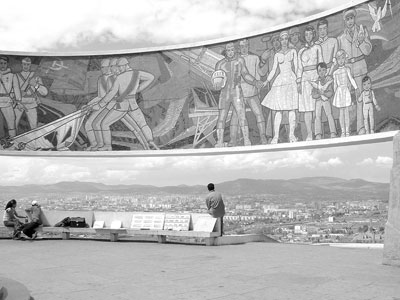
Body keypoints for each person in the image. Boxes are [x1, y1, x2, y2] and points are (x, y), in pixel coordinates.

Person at [212, 42, 263, 147]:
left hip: (237, 92)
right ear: (225, 51)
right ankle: (220, 142)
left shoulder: (240, 61)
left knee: (242, 116)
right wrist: (216, 85)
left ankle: (246, 140)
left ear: (235, 50)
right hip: (224, 94)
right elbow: (216, 80)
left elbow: (245, 74)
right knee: (221, 117)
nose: (230, 52)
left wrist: (255, 82)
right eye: (228, 50)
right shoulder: (220, 64)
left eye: (232, 50)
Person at [337, 8, 372, 135]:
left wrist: (361, 42)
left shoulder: (362, 31)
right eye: (347, 19)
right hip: (347, 71)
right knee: (345, 100)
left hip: (360, 68)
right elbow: (339, 57)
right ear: (344, 21)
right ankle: (345, 130)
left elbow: (368, 51)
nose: (350, 21)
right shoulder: (340, 38)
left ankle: (361, 128)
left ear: (354, 18)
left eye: (351, 18)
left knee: (360, 98)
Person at [261, 31, 299, 144]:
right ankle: (276, 136)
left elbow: (296, 67)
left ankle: (291, 135)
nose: (284, 41)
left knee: (292, 109)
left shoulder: (293, 51)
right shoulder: (277, 55)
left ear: (288, 40)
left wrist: (298, 80)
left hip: (291, 80)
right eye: (282, 39)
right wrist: (267, 80)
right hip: (281, 81)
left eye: (286, 39)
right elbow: (273, 69)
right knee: (278, 110)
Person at [228, 39, 268, 146]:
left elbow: (260, 73)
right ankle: (232, 140)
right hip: (239, 94)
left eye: (245, 46)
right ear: (238, 48)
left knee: (259, 114)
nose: (244, 48)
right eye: (241, 46)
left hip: (252, 92)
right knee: (235, 117)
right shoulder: (235, 60)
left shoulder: (254, 58)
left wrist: (264, 61)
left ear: (248, 46)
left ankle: (263, 137)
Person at [297, 25, 323, 141]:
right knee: (307, 109)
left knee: (316, 107)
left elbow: (321, 63)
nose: (308, 36)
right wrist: (298, 82)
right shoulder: (301, 51)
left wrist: (320, 78)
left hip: (316, 77)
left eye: (310, 34)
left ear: (313, 34)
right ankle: (309, 134)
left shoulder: (317, 47)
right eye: (306, 34)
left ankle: (318, 133)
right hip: (304, 80)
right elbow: (299, 68)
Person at [15, 57, 48, 133]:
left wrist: (35, 85)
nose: (26, 66)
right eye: (24, 64)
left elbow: (44, 92)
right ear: (21, 65)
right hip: (19, 103)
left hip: (31, 103)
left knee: (34, 127)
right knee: (13, 125)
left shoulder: (35, 76)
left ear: (30, 65)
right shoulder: (16, 76)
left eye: (28, 64)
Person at [332, 49, 358, 137]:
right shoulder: (335, 73)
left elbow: (351, 79)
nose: (341, 60)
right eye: (339, 58)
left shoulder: (347, 69)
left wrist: (356, 87)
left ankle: (347, 130)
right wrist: (335, 94)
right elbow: (335, 85)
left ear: (345, 59)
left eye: (342, 58)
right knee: (341, 113)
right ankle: (342, 131)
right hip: (339, 93)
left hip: (345, 91)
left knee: (346, 112)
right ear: (336, 60)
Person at [312, 62, 337, 139]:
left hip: (326, 100)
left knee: (329, 115)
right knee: (317, 116)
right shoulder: (316, 82)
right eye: (319, 71)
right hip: (319, 101)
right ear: (317, 72)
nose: (321, 72)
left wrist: (324, 94)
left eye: (323, 70)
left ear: (326, 71)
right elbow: (313, 94)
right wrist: (319, 94)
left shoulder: (327, 80)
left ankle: (333, 132)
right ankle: (318, 134)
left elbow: (330, 92)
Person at [0, 56, 22, 138]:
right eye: (1, 63)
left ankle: (13, 139)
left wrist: (18, 101)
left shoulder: (12, 75)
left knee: (11, 121)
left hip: (6, 101)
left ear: (7, 64)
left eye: (4, 63)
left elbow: (16, 88)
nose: (2, 65)